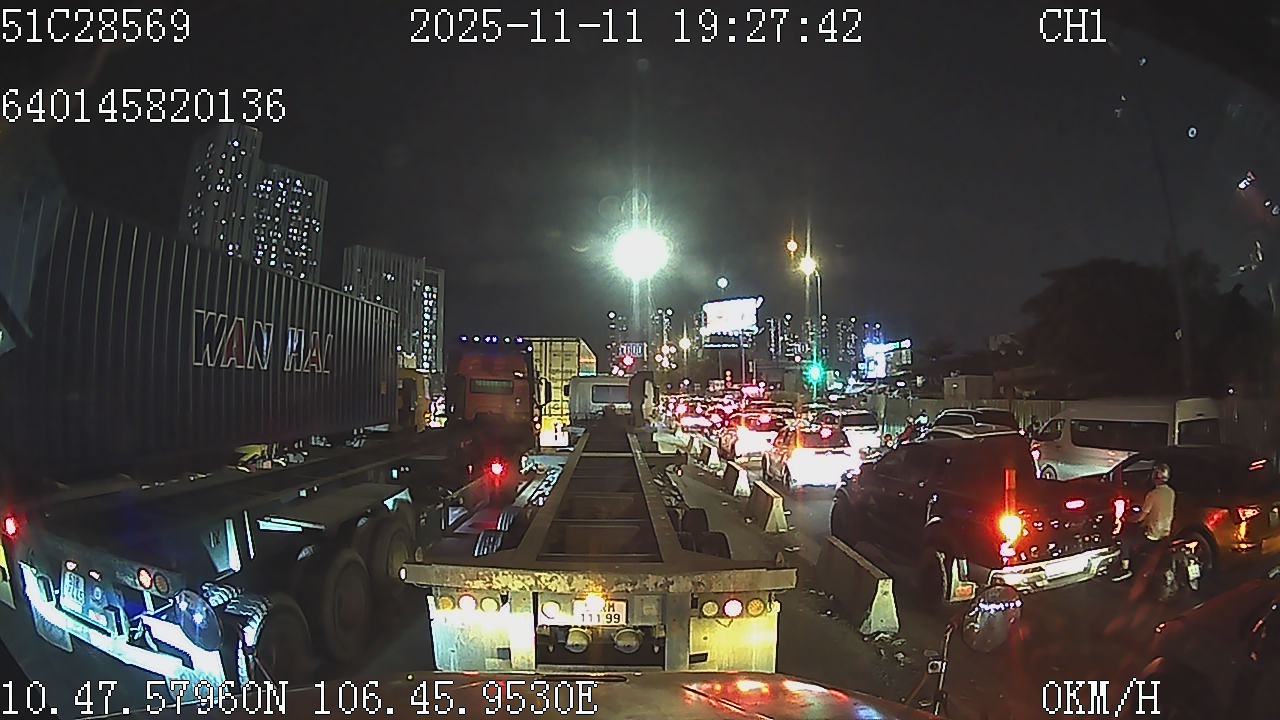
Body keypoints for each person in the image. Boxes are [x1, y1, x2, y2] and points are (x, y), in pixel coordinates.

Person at [1112, 463, 1176, 582]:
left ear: (1155, 476)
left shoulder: (1152, 494)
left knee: (1126, 540)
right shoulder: (1171, 492)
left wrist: (1126, 519)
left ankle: (1125, 569)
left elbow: (1140, 517)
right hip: (1166, 531)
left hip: (1153, 534)